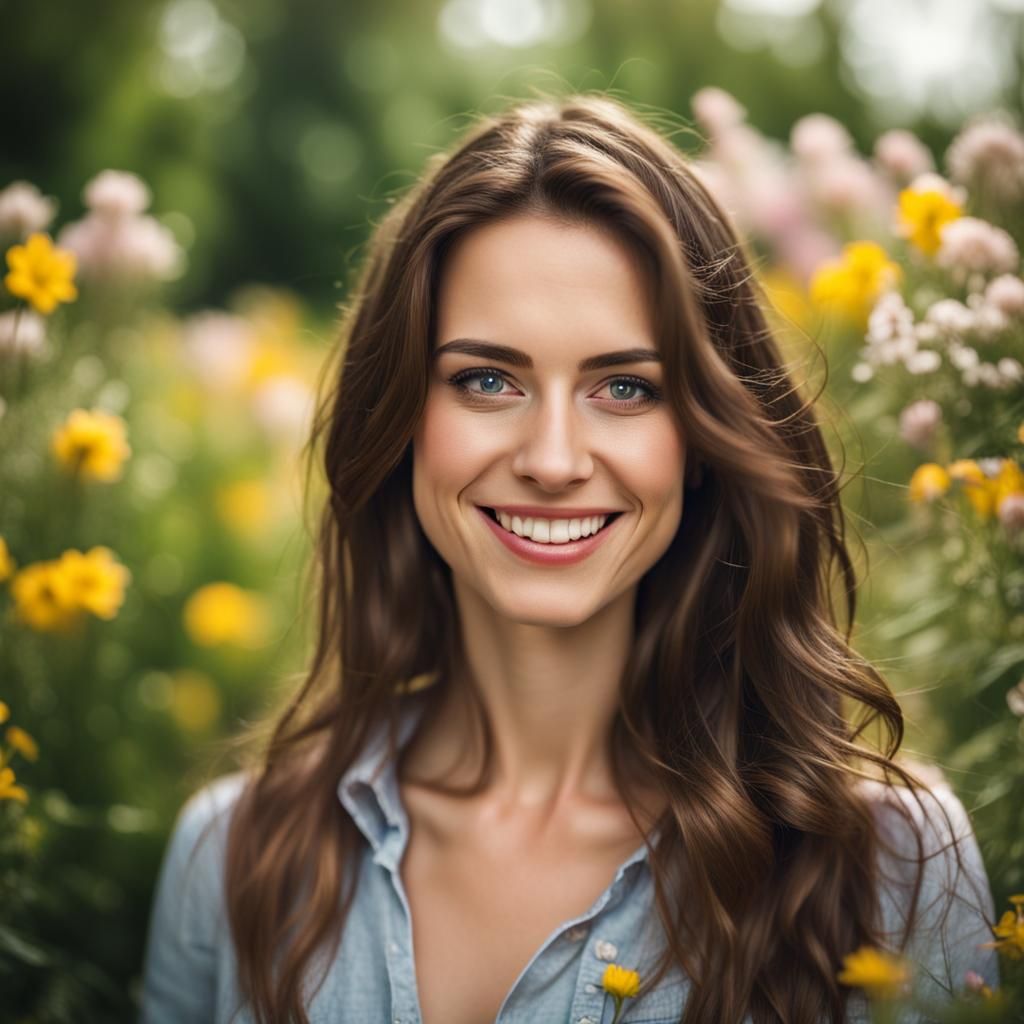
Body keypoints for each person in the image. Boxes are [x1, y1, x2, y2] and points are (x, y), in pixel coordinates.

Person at [138, 92, 999, 1024]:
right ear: (400, 423)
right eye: (487, 380)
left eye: (624, 386)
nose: (552, 460)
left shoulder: (895, 868)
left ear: (706, 437)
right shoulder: (229, 858)